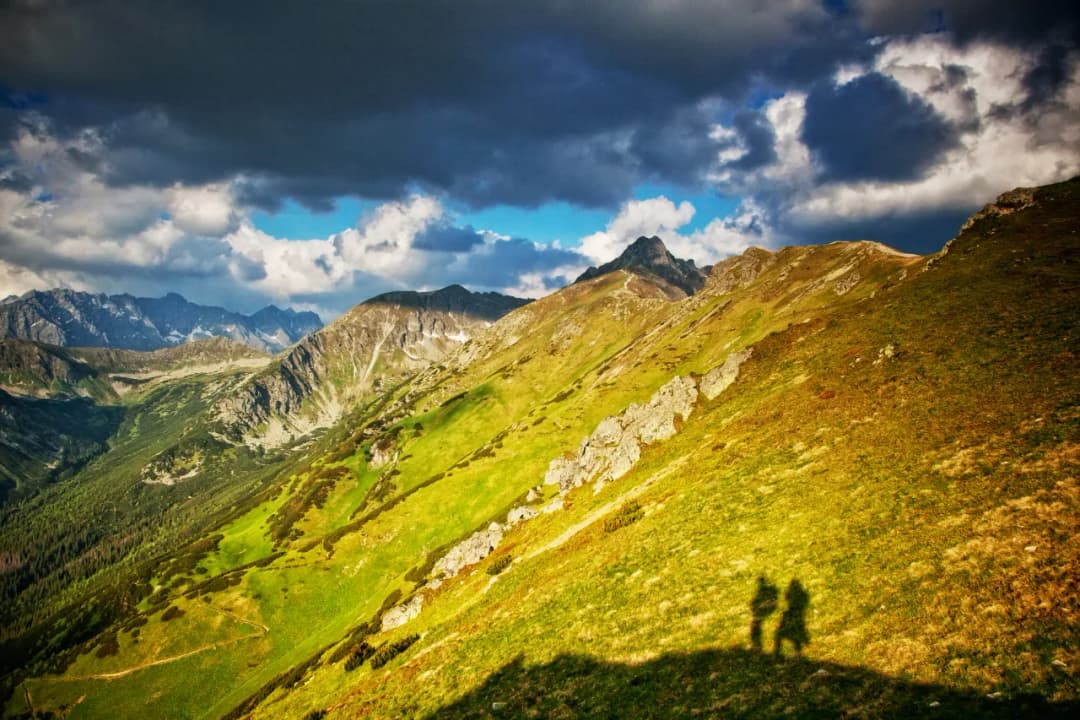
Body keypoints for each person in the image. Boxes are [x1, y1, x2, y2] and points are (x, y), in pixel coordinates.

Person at [774, 579, 810, 655]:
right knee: (791, 635)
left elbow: (787, 597)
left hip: (794, 615)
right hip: (794, 615)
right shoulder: (802, 597)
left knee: (783, 634)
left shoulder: (799, 599)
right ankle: (796, 653)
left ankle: (778, 651)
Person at [749, 575, 779, 651]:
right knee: (755, 627)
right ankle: (757, 645)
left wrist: (757, 608)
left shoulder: (766, 592)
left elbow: (766, 603)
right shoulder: (769, 592)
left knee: (755, 627)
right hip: (761, 612)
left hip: (760, 613)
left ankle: (757, 646)